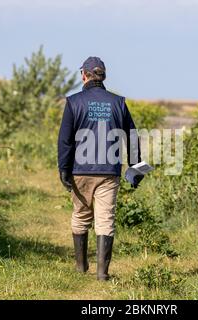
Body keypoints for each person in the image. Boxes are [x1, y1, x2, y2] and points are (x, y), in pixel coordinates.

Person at [57, 56, 142, 281]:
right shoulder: (118, 102)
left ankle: (80, 265)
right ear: (103, 76)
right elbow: (132, 137)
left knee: (81, 215)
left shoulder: (73, 102)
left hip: (80, 170)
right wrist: (136, 168)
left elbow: (65, 141)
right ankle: (102, 273)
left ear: (83, 75)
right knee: (106, 219)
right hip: (109, 170)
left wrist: (63, 170)